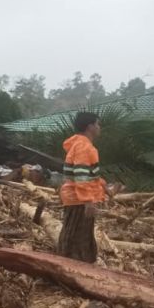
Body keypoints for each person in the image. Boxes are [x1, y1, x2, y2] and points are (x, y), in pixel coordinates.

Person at [57, 111, 115, 262]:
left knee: (77, 236)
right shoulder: (83, 147)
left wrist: (104, 187)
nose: (99, 127)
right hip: (78, 200)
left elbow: (89, 175)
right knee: (77, 239)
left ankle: (71, 264)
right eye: (97, 124)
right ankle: (70, 267)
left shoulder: (81, 145)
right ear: (90, 127)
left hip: (77, 198)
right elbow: (81, 176)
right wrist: (88, 201)